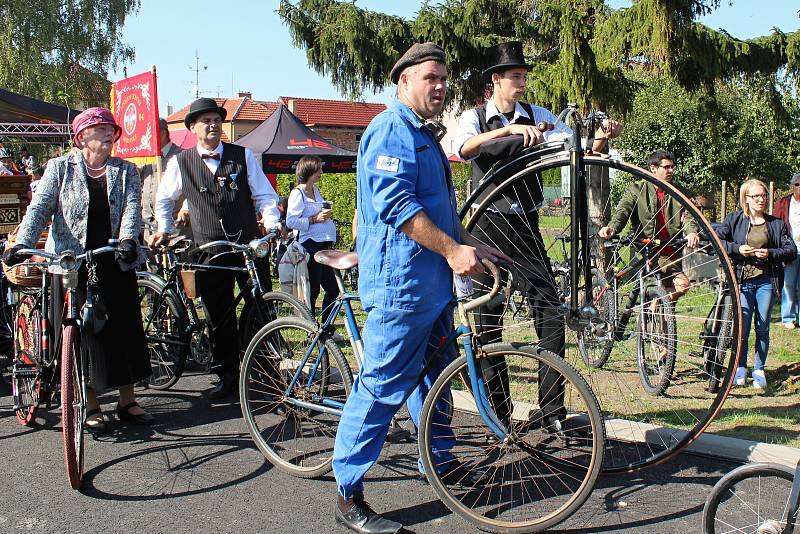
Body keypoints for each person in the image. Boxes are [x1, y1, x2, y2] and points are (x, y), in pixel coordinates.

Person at [332, 43, 507, 534]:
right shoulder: (392, 129)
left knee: (434, 380)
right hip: (401, 286)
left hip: (431, 287)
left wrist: (471, 245)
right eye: (431, 77)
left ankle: (442, 463)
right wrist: (453, 253)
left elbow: (439, 213)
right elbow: (397, 205)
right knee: (382, 386)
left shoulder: (425, 136)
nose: (440, 86)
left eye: (444, 78)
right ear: (404, 81)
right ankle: (347, 493)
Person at [454, 41, 621, 428]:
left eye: (525, 77)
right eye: (516, 77)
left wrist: (602, 137)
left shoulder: (538, 115)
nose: (522, 83)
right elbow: (464, 148)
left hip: (526, 223)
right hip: (487, 224)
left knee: (548, 309)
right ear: (496, 80)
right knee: (488, 317)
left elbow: (575, 148)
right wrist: (511, 130)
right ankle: (498, 415)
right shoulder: (475, 117)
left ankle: (551, 412)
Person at [3, 107, 153, 432]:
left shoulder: (125, 171)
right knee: (85, 334)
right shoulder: (60, 168)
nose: (110, 133)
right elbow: (40, 207)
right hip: (71, 262)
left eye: (112, 129)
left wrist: (128, 240)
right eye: (102, 128)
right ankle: (92, 402)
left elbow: (131, 208)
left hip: (112, 257)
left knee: (124, 327)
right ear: (82, 135)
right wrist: (19, 243)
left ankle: (128, 400)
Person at [149, 97, 281, 401]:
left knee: (260, 308)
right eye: (205, 121)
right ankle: (227, 377)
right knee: (219, 316)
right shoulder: (181, 163)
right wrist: (164, 229)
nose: (212, 125)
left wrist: (271, 223)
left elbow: (265, 195)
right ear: (193, 128)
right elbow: (165, 200)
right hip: (208, 250)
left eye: (216, 120)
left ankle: (266, 375)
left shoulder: (243, 155)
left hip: (247, 246)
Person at [716, 179, 796, 389]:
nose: (761, 199)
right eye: (756, 196)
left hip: (766, 282)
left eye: (764, 196)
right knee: (742, 327)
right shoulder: (735, 220)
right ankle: (740, 368)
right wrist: (737, 249)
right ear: (746, 199)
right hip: (742, 281)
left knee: (762, 327)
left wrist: (770, 253)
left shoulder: (776, 224)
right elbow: (717, 239)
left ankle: (759, 369)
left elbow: (791, 250)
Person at [599, 150, 701, 301]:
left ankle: (657, 302)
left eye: (672, 167)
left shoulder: (679, 192)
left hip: (671, 251)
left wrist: (692, 232)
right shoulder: (637, 189)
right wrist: (612, 227)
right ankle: (655, 304)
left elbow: (689, 216)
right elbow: (623, 210)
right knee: (679, 285)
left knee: (675, 294)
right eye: (666, 167)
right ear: (653, 168)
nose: (671, 170)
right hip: (646, 251)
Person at [285, 155, 339, 321]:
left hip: (324, 247)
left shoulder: (315, 190)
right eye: (318, 169)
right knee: (313, 289)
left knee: (333, 288)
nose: (321, 172)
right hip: (310, 247)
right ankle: (311, 328)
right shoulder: (298, 193)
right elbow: (290, 221)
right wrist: (314, 219)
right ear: (309, 170)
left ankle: (326, 326)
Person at [140, 118, 186, 241]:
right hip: (148, 226)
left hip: (174, 225)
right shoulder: (146, 158)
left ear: (163, 133)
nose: (145, 138)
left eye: (148, 133)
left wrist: (186, 208)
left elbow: (192, 187)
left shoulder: (181, 157)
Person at [772, 172, 800, 329]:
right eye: (797, 184)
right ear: (792, 187)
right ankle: (788, 317)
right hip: (790, 251)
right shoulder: (784, 203)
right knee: (789, 284)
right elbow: (776, 225)